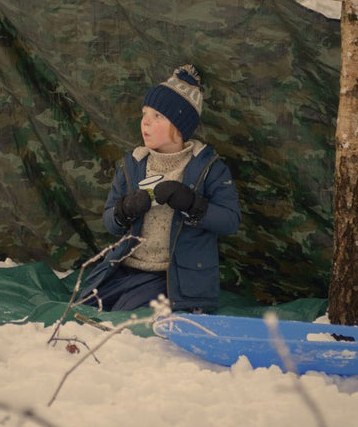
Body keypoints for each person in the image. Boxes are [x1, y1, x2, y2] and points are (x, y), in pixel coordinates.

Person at [79, 64, 241, 313]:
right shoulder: (132, 164)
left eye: (157, 116)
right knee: (84, 307)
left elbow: (231, 221)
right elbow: (109, 221)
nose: (145, 122)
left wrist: (192, 204)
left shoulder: (209, 167)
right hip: (126, 267)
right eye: (144, 114)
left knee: (124, 317)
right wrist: (124, 210)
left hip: (172, 277)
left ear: (179, 125)